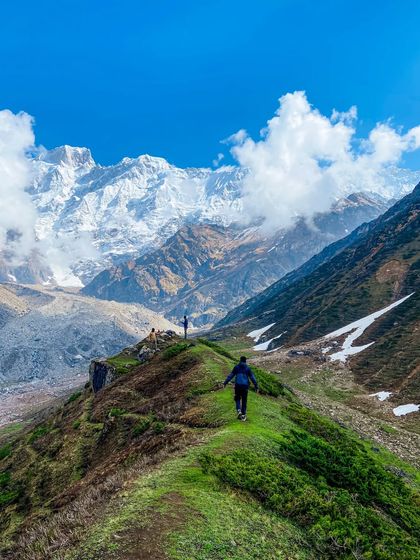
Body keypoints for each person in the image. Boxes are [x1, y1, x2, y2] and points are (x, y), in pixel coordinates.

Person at [223, 356, 258, 421]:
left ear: (240, 360)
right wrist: (256, 386)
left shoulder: (236, 367)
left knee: (237, 398)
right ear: (245, 361)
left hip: (238, 386)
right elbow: (252, 378)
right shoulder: (248, 368)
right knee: (244, 400)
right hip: (245, 387)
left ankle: (239, 410)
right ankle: (243, 415)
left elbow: (231, 375)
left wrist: (225, 383)